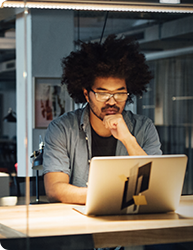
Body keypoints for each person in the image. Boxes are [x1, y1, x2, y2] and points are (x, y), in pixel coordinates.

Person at [43, 34, 162, 205]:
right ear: (86, 94)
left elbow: (157, 183)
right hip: (80, 222)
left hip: (131, 220)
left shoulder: (143, 127)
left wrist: (128, 139)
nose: (112, 101)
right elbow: (55, 189)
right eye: (103, 93)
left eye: (120, 93)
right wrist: (112, 196)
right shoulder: (62, 129)